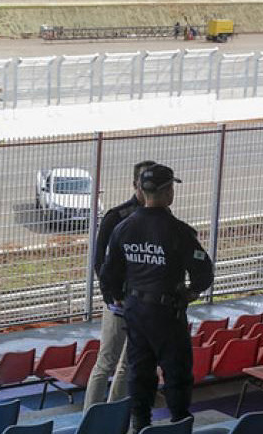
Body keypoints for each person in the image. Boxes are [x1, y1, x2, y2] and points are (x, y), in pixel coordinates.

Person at [100, 164, 213, 432]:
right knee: (176, 375)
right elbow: (203, 271)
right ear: (168, 192)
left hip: (136, 311)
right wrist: (191, 293)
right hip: (167, 313)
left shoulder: (124, 227)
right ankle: (179, 424)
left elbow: (108, 273)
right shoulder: (178, 231)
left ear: (141, 190)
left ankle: (140, 425)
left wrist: (118, 297)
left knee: (140, 372)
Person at [84, 160, 157, 409]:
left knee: (129, 364)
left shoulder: (161, 218)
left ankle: (113, 416)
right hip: (119, 303)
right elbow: (99, 262)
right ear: (136, 184)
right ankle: (90, 418)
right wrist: (112, 296)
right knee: (106, 362)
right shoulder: (116, 216)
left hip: (144, 304)